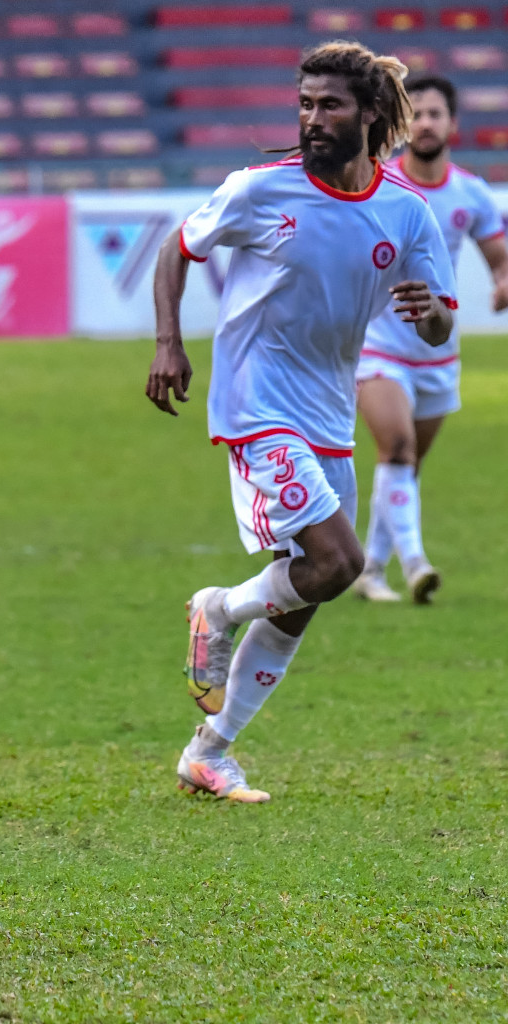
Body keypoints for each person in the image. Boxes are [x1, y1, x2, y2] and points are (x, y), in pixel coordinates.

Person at [147, 42, 456, 803]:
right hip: (257, 410)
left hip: (327, 418)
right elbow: (176, 249)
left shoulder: (405, 213)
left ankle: (209, 753)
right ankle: (216, 608)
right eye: (306, 104)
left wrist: (432, 318)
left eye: (332, 105)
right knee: (340, 562)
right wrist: (168, 344)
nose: (314, 119)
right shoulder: (258, 190)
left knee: (312, 590)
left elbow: (443, 327)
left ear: (373, 114)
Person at [351, 75, 508, 604]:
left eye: (434, 113)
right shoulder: (380, 186)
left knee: (405, 465)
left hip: (438, 351)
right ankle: (416, 565)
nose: (424, 122)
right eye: (415, 113)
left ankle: (369, 569)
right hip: (379, 343)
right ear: (402, 125)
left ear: (452, 124)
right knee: (396, 447)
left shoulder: (470, 193)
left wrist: (503, 283)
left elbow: (499, 257)